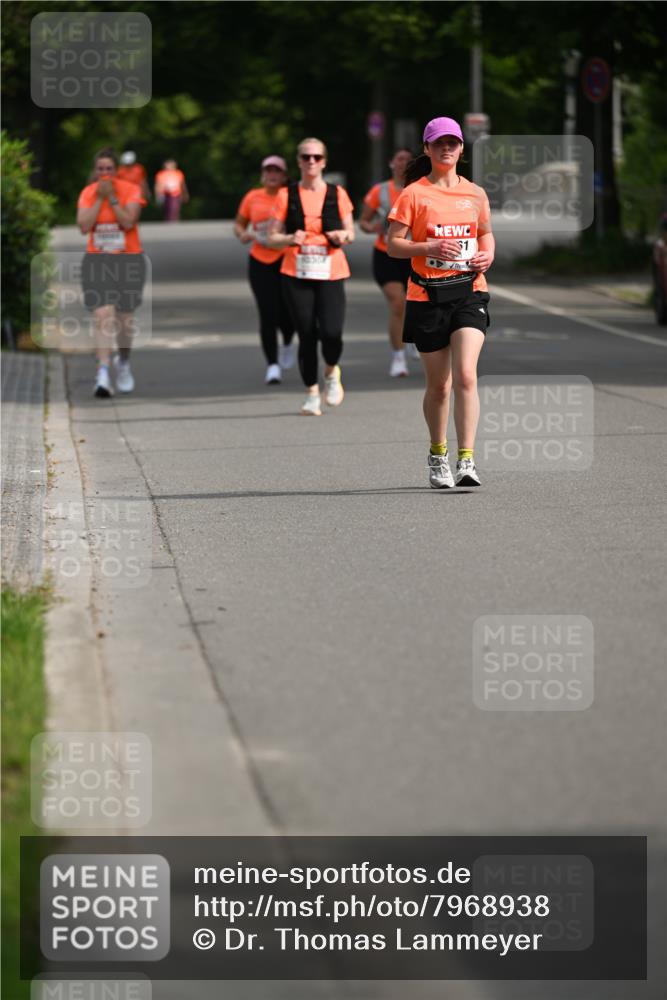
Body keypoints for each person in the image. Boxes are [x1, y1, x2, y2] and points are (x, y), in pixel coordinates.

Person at [387, 116, 494, 488]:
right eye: (439, 143)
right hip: (427, 295)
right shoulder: (414, 194)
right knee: (440, 386)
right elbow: (393, 244)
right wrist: (429, 246)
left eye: (453, 143)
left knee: (466, 375)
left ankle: (467, 460)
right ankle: (438, 454)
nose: (446, 148)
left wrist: (487, 256)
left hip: (469, 290)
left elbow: (485, 234)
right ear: (427, 149)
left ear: (462, 148)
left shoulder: (475, 193)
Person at [266, 137, 355, 416]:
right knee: (306, 334)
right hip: (297, 271)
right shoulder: (286, 195)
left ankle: (331, 371)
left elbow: (350, 233)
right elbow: (271, 238)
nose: (311, 162)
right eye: (306, 157)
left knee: (331, 333)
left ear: (324, 161)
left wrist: (342, 235)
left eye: (317, 157)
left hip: (331, 271)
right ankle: (311, 393)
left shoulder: (337, 193)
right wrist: (291, 237)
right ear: (299, 161)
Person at [77, 147, 147, 397]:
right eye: (100, 169)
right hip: (97, 260)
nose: (105, 173)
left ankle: (124, 362)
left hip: (128, 260)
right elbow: (84, 226)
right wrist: (99, 199)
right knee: (103, 315)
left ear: (116, 170)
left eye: (109, 168)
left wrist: (113, 199)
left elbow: (128, 221)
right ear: (95, 171)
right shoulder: (88, 193)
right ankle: (103, 373)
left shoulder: (131, 190)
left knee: (125, 321)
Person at [234, 155, 296, 384]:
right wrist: (242, 234)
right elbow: (239, 224)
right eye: (268, 170)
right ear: (262, 174)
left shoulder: (290, 196)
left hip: (286, 258)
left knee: (288, 311)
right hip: (260, 261)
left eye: (276, 171)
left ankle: (288, 343)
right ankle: (272, 365)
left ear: (284, 175)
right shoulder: (253, 197)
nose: (272, 175)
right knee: (267, 313)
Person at [360, 148, 418, 377]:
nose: (404, 163)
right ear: (391, 163)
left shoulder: (420, 189)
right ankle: (398, 358)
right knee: (398, 304)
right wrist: (371, 227)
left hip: (414, 254)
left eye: (408, 160)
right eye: (399, 159)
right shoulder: (380, 191)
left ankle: (411, 337)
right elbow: (363, 221)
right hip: (386, 254)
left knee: (416, 305)